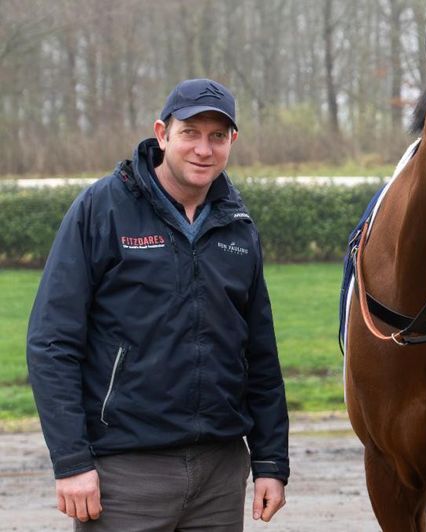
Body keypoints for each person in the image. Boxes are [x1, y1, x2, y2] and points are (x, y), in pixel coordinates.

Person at [26, 78, 289, 530]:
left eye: (217, 137)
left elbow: (260, 355)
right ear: (162, 133)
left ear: (233, 142)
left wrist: (270, 461)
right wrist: (71, 461)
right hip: (126, 475)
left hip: (221, 475)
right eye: (190, 132)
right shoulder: (102, 209)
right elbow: (52, 343)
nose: (203, 150)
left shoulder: (238, 228)